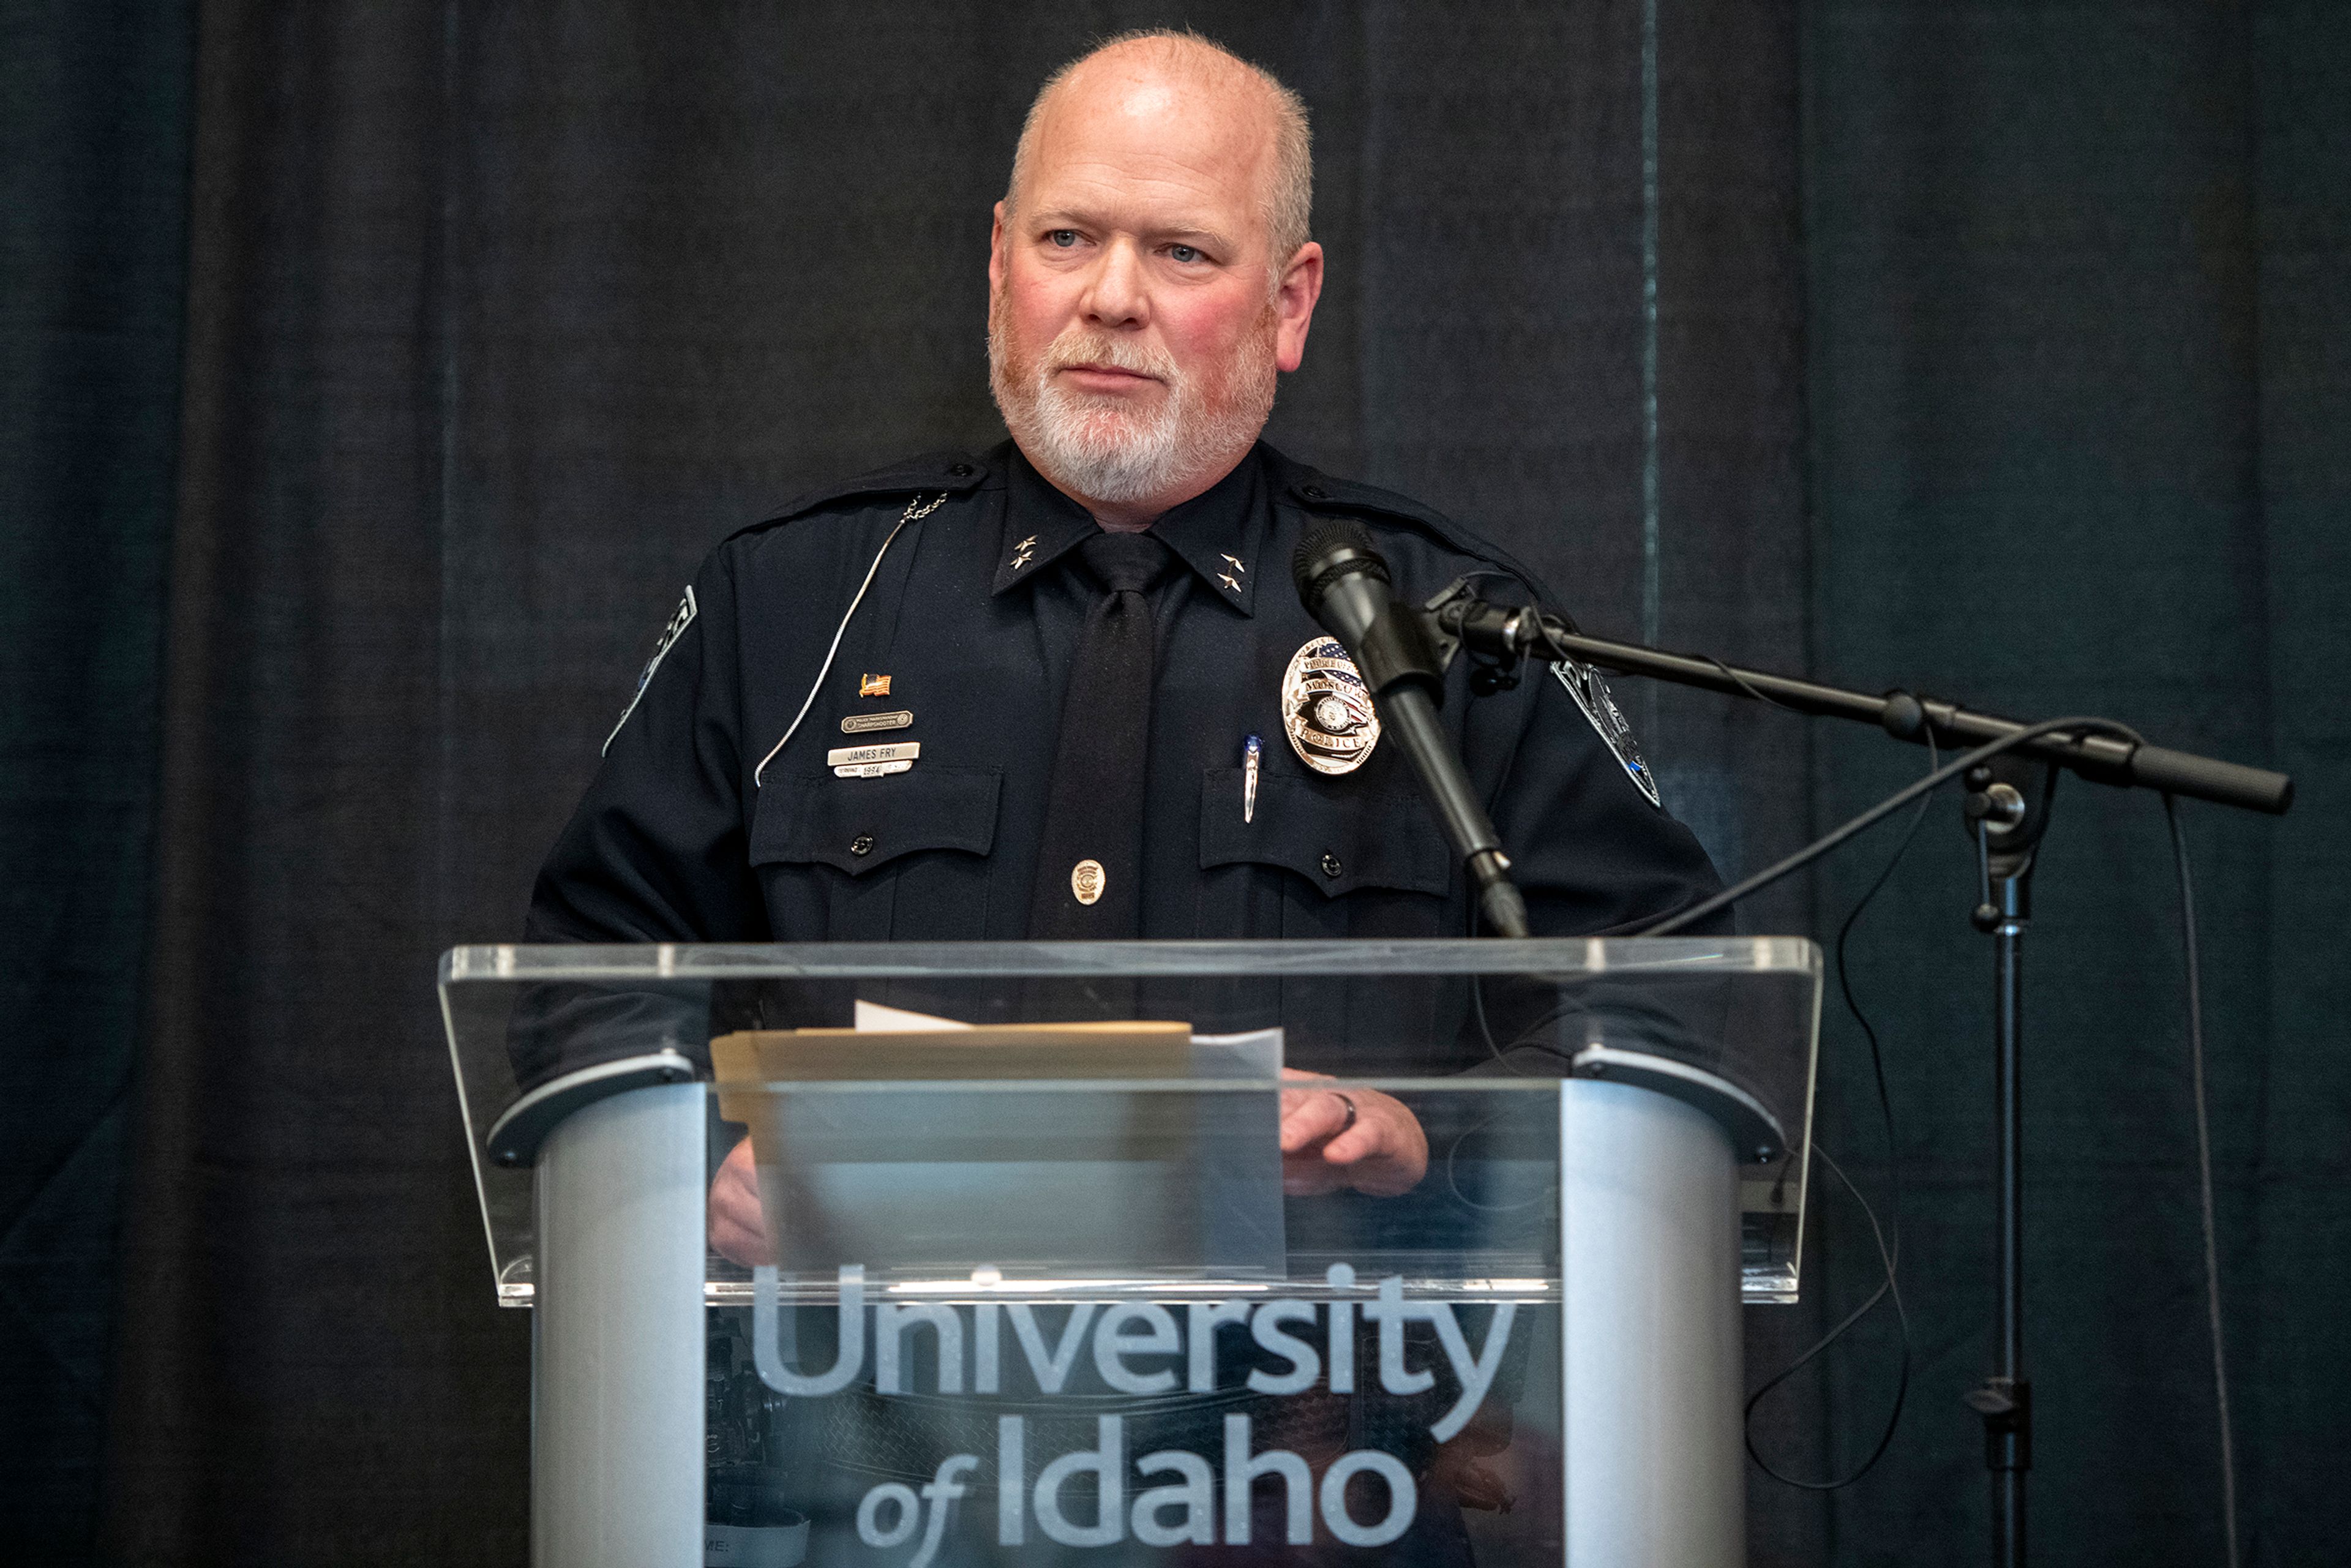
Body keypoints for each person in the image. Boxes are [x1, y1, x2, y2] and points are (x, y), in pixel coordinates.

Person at [522, 31, 1725, 1264]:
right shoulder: (786, 602)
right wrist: (702, 1154)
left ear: (1290, 301)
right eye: (1066, 238)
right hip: (861, 1427)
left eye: (1181, 251)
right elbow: (582, 986)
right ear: (1000, 263)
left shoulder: (1451, 626)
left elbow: (1670, 1010)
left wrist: (1426, 1138)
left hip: (1320, 1433)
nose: (1110, 297)